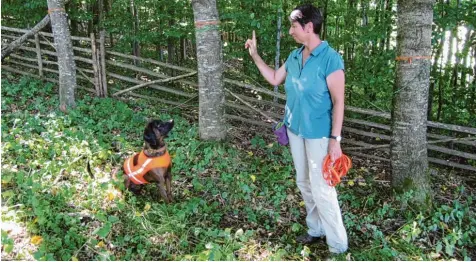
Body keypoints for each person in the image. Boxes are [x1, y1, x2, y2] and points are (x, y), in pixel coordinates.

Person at [245, 4, 348, 254]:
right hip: (295, 131)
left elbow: (339, 101)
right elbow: (273, 79)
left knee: (322, 187)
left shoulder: (330, 59)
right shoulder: (293, 56)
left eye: (293, 26)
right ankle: (316, 230)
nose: (291, 31)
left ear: (309, 27)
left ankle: (337, 246)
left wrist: (335, 139)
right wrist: (256, 56)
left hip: (319, 135)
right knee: (304, 182)